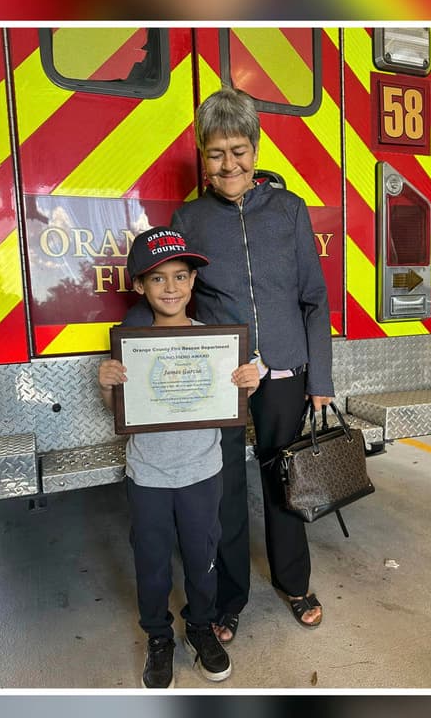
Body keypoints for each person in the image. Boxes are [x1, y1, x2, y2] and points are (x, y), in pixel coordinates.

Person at [122, 87, 335, 643]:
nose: (228, 164)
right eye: (215, 153)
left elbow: (314, 299)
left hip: (283, 371)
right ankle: (228, 598)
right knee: (225, 493)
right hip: (218, 379)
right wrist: (127, 352)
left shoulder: (288, 210)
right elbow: (164, 294)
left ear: (256, 150)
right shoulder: (189, 218)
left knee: (286, 481)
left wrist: (321, 379)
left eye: (238, 151)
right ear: (203, 157)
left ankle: (295, 583)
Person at [98, 226, 261, 689]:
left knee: (202, 556)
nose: (171, 287)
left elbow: (232, 397)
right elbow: (118, 410)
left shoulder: (216, 342)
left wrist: (248, 382)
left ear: (193, 281)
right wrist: (107, 385)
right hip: (148, 474)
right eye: (158, 278)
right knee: (151, 562)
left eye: (181, 276)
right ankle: (158, 636)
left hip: (202, 472)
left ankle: (200, 626)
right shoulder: (130, 344)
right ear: (139, 285)